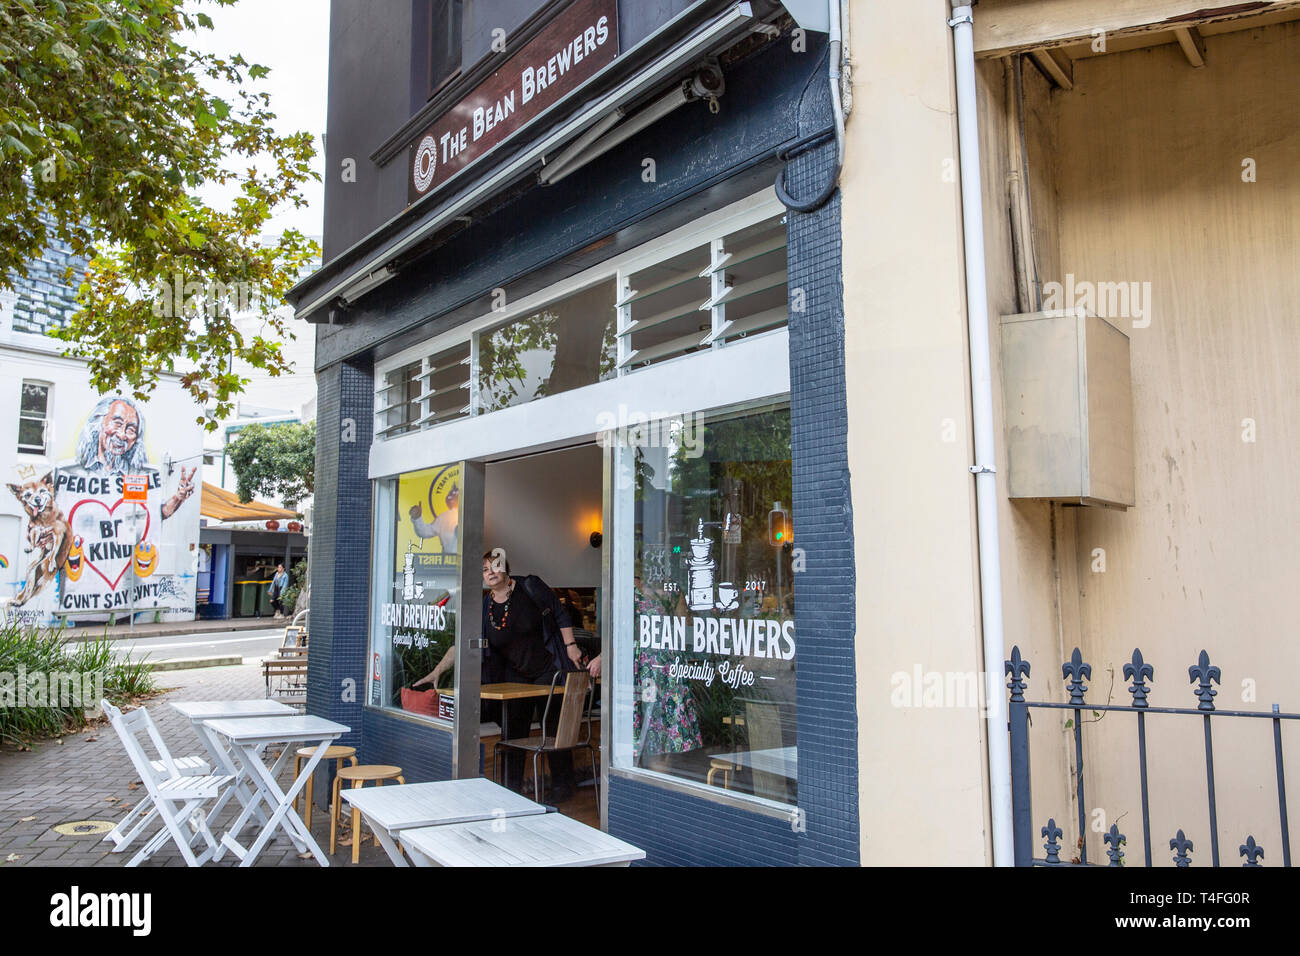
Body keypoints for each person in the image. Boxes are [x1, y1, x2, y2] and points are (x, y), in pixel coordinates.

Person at [415, 549, 584, 800]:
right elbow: (468, 643)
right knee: (513, 730)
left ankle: (562, 786)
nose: (490, 573)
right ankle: (510, 788)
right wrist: (438, 670)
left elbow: (560, 614)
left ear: (506, 568)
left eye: (495, 566)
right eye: (485, 570)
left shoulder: (530, 586)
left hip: (547, 668)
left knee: (553, 727)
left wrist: (571, 647)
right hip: (513, 674)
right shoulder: (486, 606)